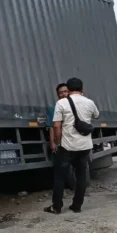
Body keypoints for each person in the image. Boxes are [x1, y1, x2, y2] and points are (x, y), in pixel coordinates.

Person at [45, 77, 99, 214]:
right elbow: (96, 116)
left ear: (68, 90)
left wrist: (58, 142)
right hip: (85, 146)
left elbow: (56, 125)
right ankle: (77, 205)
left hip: (67, 146)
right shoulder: (90, 102)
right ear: (82, 89)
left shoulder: (62, 103)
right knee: (81, 175)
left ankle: (56, 207)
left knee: (59, 177)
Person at [49, 83, 70, 153]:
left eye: (65, 91)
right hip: (62, 142)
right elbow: (52, 127)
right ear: (58, 95)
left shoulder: (76, 106)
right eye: (60, 93)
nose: (64, 94)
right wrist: (53, 142)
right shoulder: (54, 109)